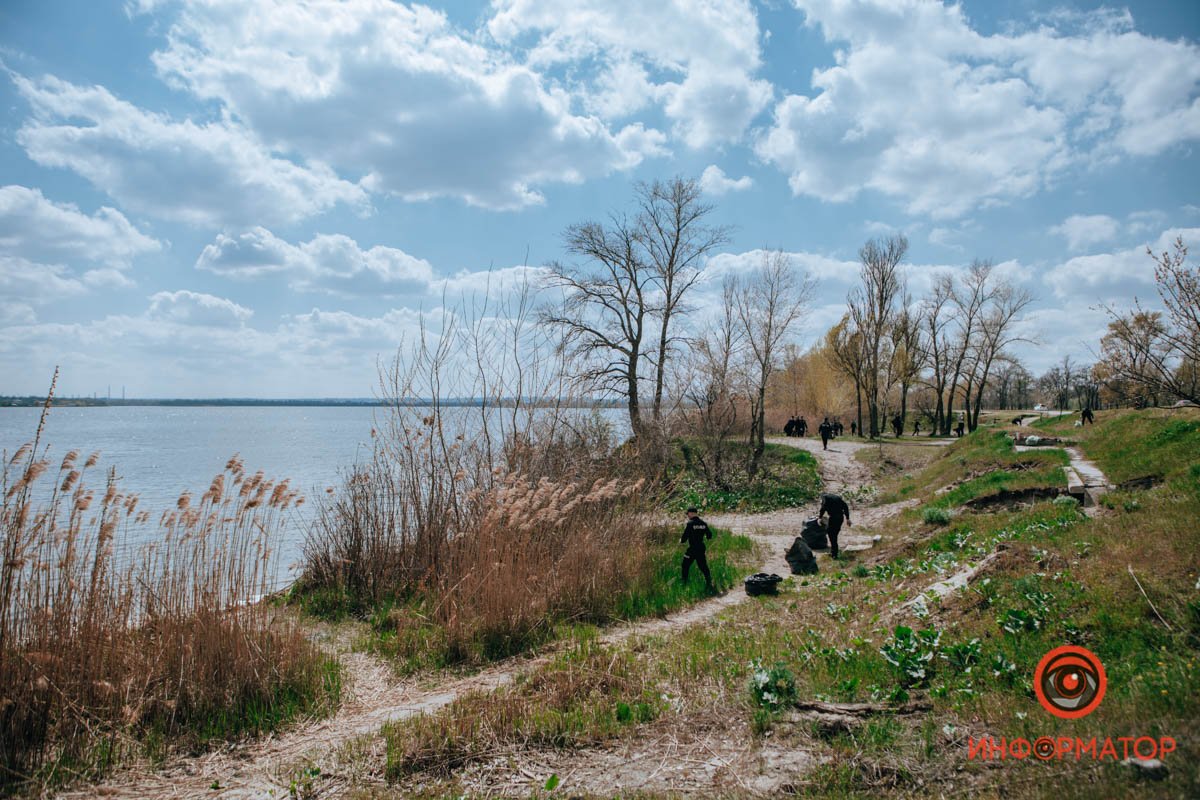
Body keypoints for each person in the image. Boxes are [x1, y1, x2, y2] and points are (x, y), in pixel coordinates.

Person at [680, 507, 715, 592]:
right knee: (703, 566)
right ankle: (709, 582)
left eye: (688, 514)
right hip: (701, 548)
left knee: (685, 565)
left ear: (691, 513)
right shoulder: (703, 523)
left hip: (692, 549)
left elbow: (684, 538)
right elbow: (709, 536)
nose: (687, 516)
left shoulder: (690, 524)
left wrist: (681, 541)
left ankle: (684, 582)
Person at [818, 492, 852, 559]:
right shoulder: (836, 497)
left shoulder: (825, 498)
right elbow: (845, 506)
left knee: (831, 534)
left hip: (834, 518)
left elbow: (823, 508)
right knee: (834, 534)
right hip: (840, 518)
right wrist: (848, 518)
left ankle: (834, 554)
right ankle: (834, 552)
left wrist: (819, 517)